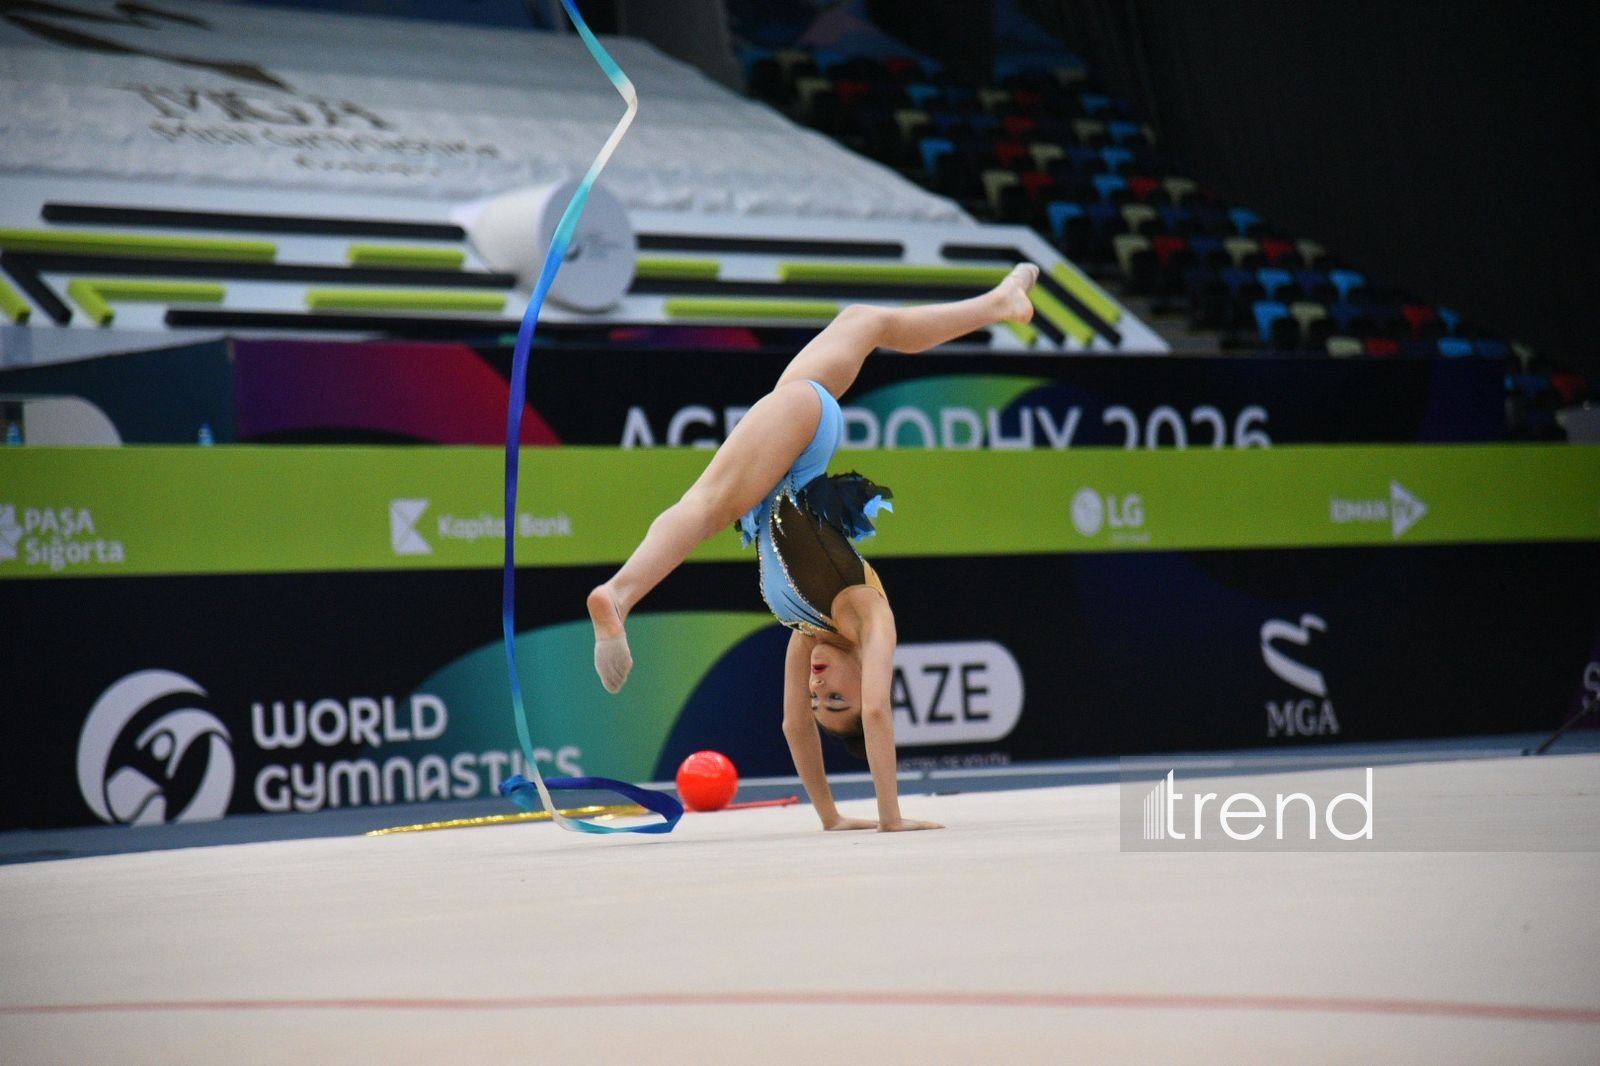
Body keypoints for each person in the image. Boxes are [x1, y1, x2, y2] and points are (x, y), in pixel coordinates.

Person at [587, 263, 1040, 831]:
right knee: (703, 507)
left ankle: (1000, 303)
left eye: (817, 698)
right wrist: (890, 818)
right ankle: (620, 595)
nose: (819, 689)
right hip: (800, 447)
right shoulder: (869, 616)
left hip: (788, 448)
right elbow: (876, 710)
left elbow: (791, 726)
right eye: (835, 700)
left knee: (864, 321)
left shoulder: (804, 631)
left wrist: (830, 817)